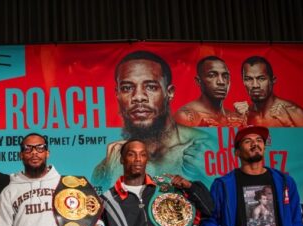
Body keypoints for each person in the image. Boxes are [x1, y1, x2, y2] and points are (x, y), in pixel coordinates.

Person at [91, 50, 212, 191]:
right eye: (127, 88)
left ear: (169, 92)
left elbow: (216, 201)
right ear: (117, 94)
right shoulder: (113, 159)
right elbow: (96, 201)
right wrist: (108, 174)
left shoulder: (201, 148)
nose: (138, 97)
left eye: (151, 87)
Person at [236, 56, 303, 127]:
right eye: (248, 79)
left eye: (261, 78)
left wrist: (289, 123)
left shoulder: (294, 113)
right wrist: (237, 122)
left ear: (273, 80)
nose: (255, 85)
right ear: (243, 81)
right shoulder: (243, 115)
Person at [175, 56, 245, 127]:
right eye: (212, 75)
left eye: (225, 76)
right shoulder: (186, 116)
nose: (221, 82)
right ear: (198, 81)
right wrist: (201, 131)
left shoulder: (232, 117)